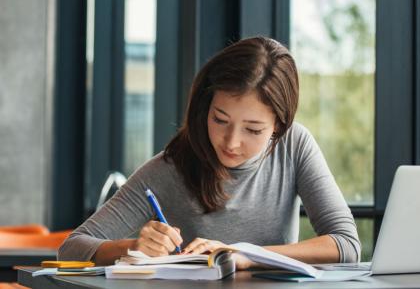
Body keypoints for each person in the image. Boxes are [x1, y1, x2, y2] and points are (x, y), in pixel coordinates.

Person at [58, 37, 360, 269]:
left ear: (278, 127)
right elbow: (71, 248)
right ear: (205, 107)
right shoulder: (171, 168)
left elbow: (345, 244)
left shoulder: (294, 145)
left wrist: (245, 254)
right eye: (220, 120)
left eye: (253, 130)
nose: (231, 142)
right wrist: (133, 246)